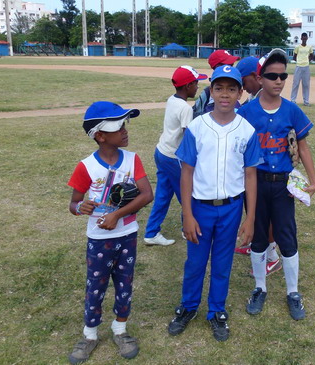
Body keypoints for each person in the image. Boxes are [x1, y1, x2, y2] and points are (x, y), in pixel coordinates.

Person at [168, 65, 260, 342]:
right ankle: (188, 306)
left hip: (231, 207)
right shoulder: (197, 127)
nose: (225, 94)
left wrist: (250, 218)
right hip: (200, 207)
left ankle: (217, 311)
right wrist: (187, 213)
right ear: (211, 91)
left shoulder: (246, 129)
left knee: (222, 263)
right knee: (195, 262)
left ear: (240, 93)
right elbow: (186, 171)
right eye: (219, 88)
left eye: (232, 88)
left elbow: (250, 174)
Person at [66, 101, 154, 364]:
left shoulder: (132, 159)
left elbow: (147, 194)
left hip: (127, 235)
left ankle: (120, 329)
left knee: (124, 285)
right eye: (119, 126)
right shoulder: (85, 167)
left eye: (126, 124)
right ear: (100, 135)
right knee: (96, 287)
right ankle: (90, 334)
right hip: (99, 239)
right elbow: (73, 204)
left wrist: (117, 215)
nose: (126, 130)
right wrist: (80, 207)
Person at [237, 49, 315, 321]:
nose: (279, 81)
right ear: (260, 79)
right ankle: (259, 288)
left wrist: (313, 179)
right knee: (258, 237)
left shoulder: (292, 110)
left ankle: (293, 292)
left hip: (283, 184)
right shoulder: (246, 112)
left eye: (283, 75)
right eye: (272, 76)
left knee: (286, 236)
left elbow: (303, 147)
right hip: (255, 184)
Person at [143, 66, 208, 246]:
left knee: (163, 195)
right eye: (196, 83)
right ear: (187, 86)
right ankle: (187, 229)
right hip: (173, 157)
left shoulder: (172, 100)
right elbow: (189, 137)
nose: (197, 87)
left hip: (161, 152)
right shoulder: (185, 109)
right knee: (188, 194)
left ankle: (151, 232)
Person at [234, 56, 283, 277]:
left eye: (244, 81)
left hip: (269, 172)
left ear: (256, 77)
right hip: (253, 171)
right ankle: (257, 243)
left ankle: (272, 256)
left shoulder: (268, 100)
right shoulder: (252, 103)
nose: (243, 87)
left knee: (269, 215)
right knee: (255, 212)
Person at [192, 49, 240, 118]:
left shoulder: (235, 89)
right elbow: (195, 112)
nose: (231, 67)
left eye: (231, 65)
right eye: (228, 64)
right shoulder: (207, 92)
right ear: (217, 67)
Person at [290, 33, 314, 107]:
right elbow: (294, 56)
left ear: (307, 38)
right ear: (301, 38)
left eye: (305, 37)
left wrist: (307, 60)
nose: (304, 39)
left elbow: (312, 55)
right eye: (303, 37)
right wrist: (299, 61)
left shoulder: (309, 47)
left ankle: (306, 101)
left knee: (306, 84)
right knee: (295, 84)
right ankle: (293, 100)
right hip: (299, 66)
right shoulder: (297, 47)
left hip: (306, 67)